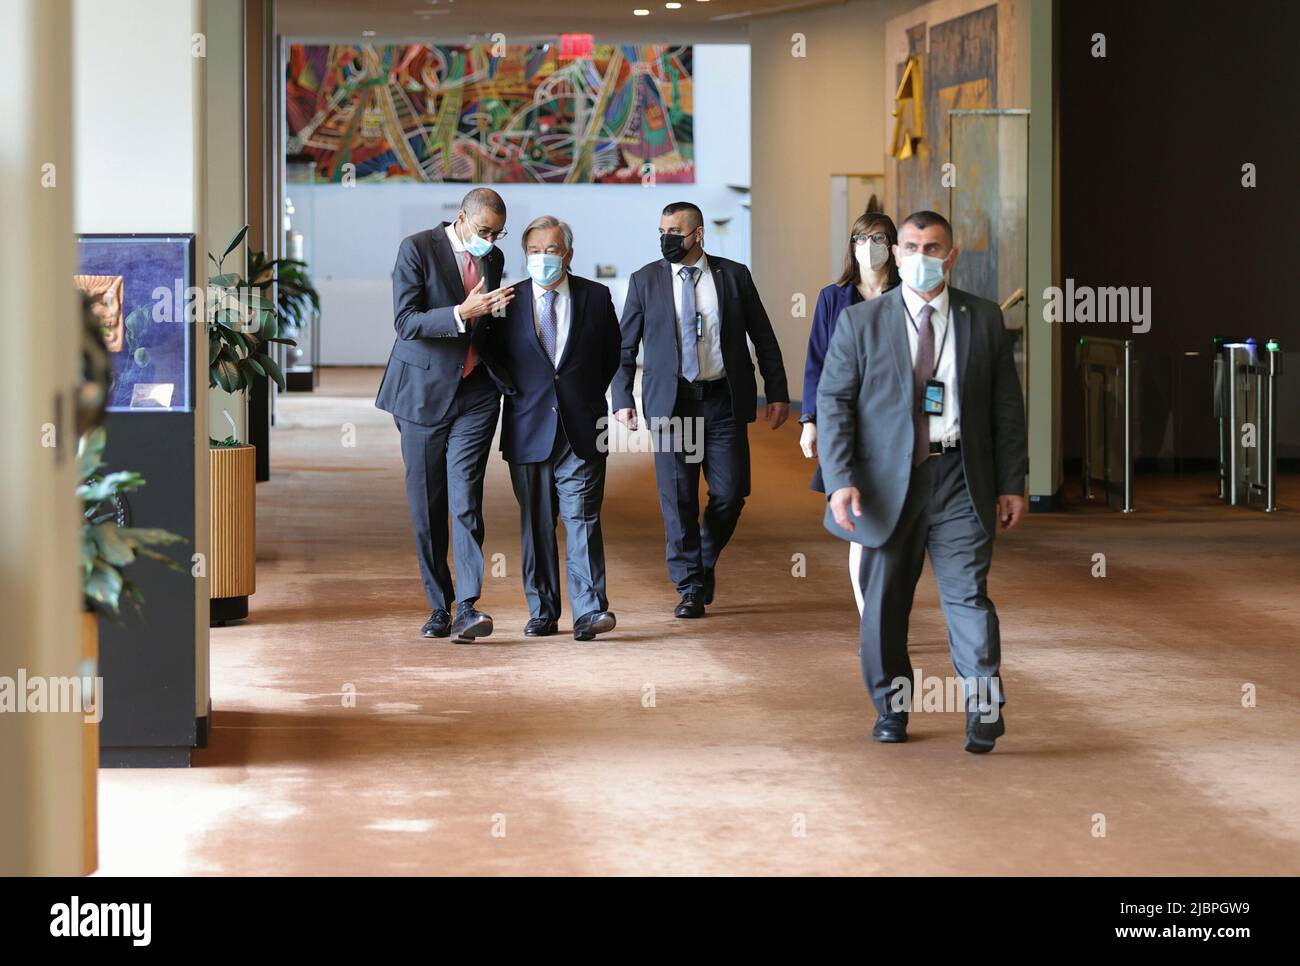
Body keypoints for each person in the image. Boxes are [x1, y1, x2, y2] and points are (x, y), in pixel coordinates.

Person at [816, 210, 1027, 753]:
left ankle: (982, 708)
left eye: (933, 248)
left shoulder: (981, 320)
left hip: (959, 476)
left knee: (968, 597)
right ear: (896, 253)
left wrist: (1012, 481)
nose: (920, 257)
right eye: (909, 247)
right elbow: (834, 403)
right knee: (884, 605)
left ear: (951, 257)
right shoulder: (861, 322)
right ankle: (892, 706)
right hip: (887, 485)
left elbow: (1007, 409)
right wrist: (840, 479)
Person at [612, 202, 789, 619]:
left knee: (731, 493)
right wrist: (622, 398)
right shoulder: (646, 281)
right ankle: (690, 586)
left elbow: (762, 335)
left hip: (721, 401)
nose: (667, 238)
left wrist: (778, 391)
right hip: (673, 404)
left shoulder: (733, 276)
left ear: (698, 234)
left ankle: (703, 558)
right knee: (678, 499)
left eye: (675, 231)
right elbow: (624, 348)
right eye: (662, 230)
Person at [375, 187, 516, 644]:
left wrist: (495, 314)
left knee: (465, 498)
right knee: (428, 504)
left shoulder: (492, 259)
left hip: (476, 393)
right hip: (422, 395)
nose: (491, 241)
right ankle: (440, 604)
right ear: (461, 218)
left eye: (498, 234)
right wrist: (461, 312)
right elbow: (406, 321)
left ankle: (469, 607)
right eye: (484, 231)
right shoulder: (416, 249)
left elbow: (488, 324)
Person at [482, 216, 621, 642]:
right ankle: (542, 612)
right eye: (536, 251)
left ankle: (590, 610)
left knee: (583, 520)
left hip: (582, 426)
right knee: (537, 524)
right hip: (528, 428)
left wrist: (582, 396)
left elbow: (610, 354)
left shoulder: (596, 297)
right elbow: (490, 354)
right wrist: (518, 392)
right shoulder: (506, 300)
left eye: (553, 249)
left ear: (569, 254)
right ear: (526, 257)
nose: (544, 258)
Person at [799, 209, 900, 613]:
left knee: (897, 523)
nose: (869, 248)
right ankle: (869, 616)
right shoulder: (833, 297)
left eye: (878, 239)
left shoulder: (908, 294)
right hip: (848, 421)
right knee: (861, 524)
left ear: (892, 248)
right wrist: (810, 421)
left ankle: (888, 606)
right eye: (861, 239)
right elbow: (816, 362)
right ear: (851, 247)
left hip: (897, 423)